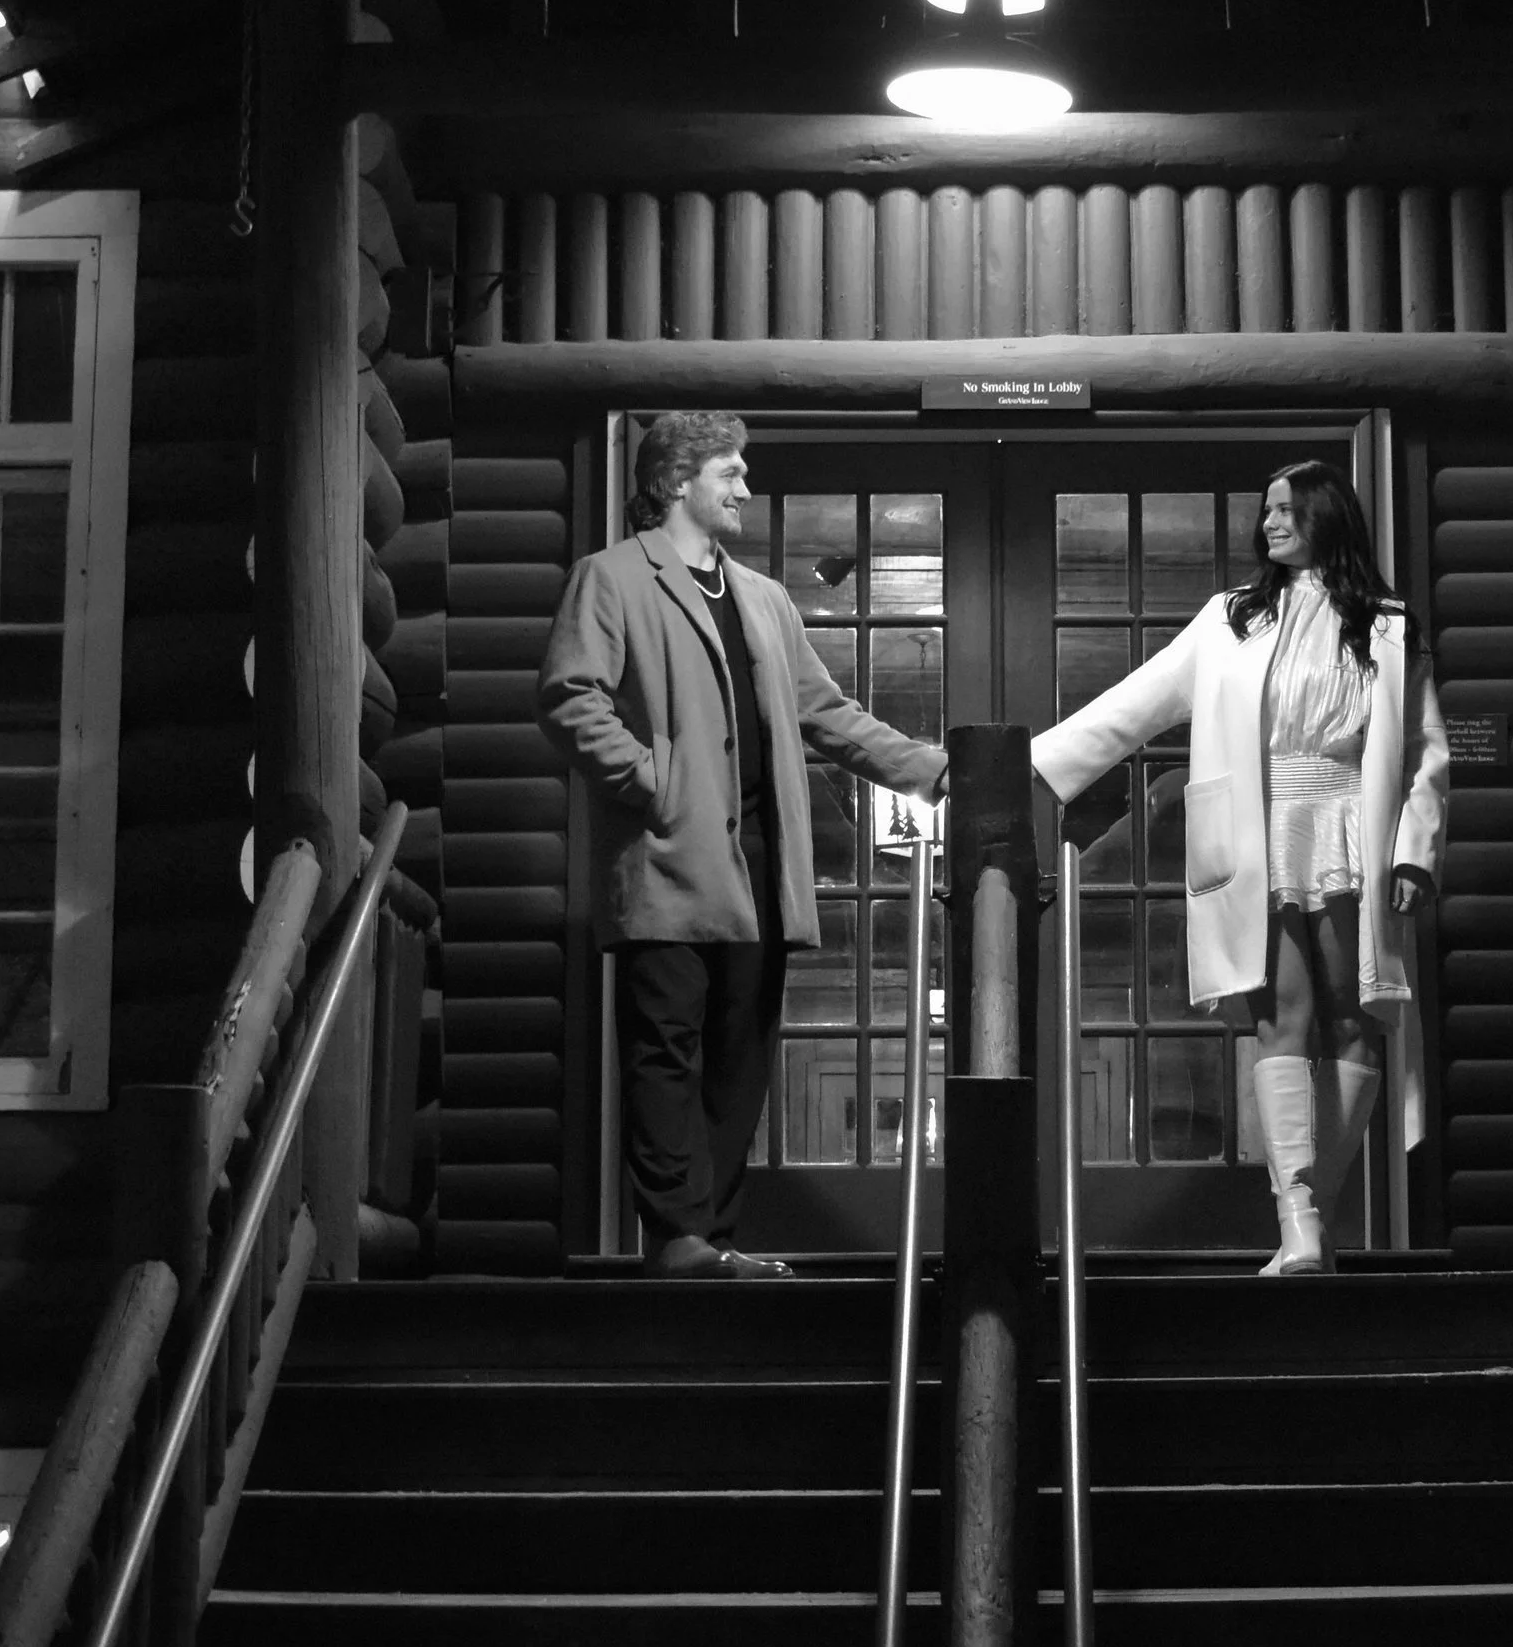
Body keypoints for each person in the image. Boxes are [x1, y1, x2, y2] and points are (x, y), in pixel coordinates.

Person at [539, 411, 947, 1278]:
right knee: (664, 1048)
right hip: (668, 854)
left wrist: (931, 771)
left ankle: (713, 1239)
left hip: (761, 862)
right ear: (678, 479)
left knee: (740, 1052)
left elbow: (825, 714)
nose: (745, 486)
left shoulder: (763, 598)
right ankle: (677, 1234)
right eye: (730, 470)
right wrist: (657, 783)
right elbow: (572, 697)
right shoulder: (611, 578)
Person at [1030, 460, 1447, 1276]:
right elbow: (1136, 702)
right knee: (1280, 1017)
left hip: (1352, 825)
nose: (1270, 525)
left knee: (1356, 1016)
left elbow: (1426, 753)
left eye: (1287, 510)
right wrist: (1027, 768)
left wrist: (1416, 853)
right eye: (1266, 512)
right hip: (1258, 834)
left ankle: (1310, 1220)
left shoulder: (1391, 627)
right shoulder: (1231, 618)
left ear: (1330, 516)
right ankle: (1299, 1227)